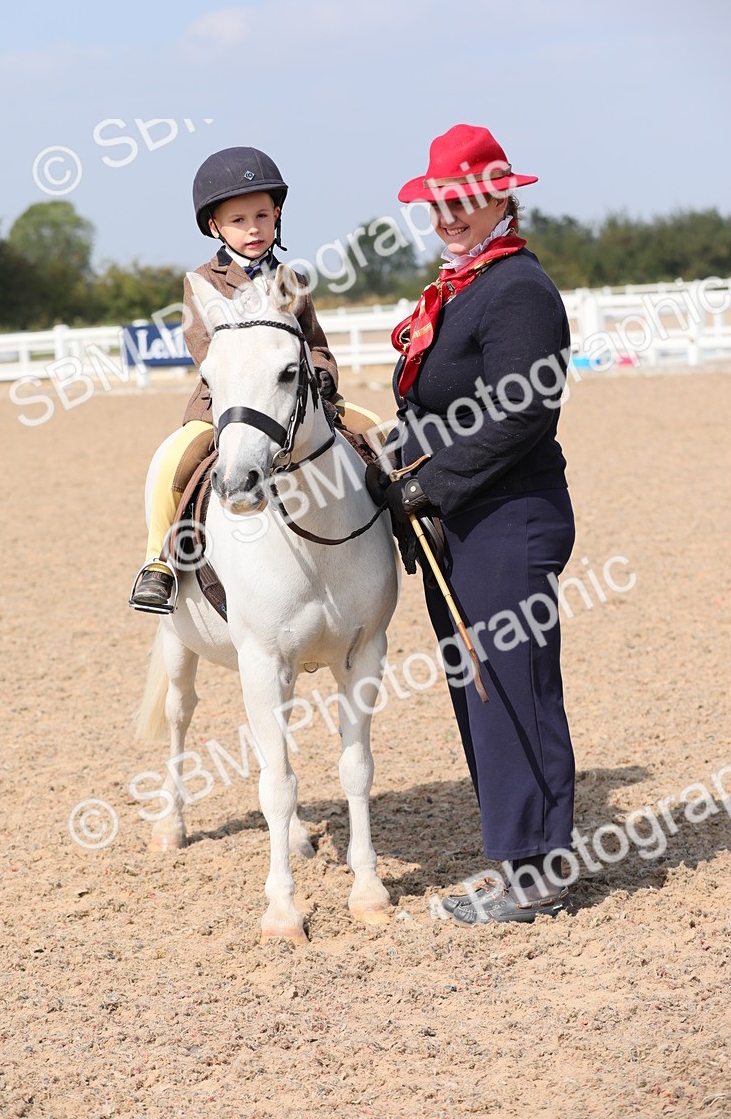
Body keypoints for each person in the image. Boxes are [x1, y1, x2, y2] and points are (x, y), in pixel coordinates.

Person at [369, 124, 577, 923]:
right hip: (457, 520)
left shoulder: (518, 288)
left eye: (465, 200)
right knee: (479, 690)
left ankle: (542, 872)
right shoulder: (462, 284)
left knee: (512, 689)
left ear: (500, 196)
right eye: (439, 202)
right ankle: (520, 858)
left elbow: (523, 412)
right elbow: (437, 405)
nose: (450, 214)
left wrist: (434, 482)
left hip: (505, 518)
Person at [130, 146, 380, 613]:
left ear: (277, 215)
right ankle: (159, 563)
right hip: (227, 404)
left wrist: (322, 375)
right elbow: (204, 347)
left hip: (297, 400)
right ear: (215, 226)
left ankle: (407, 531)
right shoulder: (202, 281)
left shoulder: (291, 279)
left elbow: (316, 343)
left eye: (262, 216)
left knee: (377, 434)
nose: (253, 229)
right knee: (174, 462)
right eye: (239, 220)